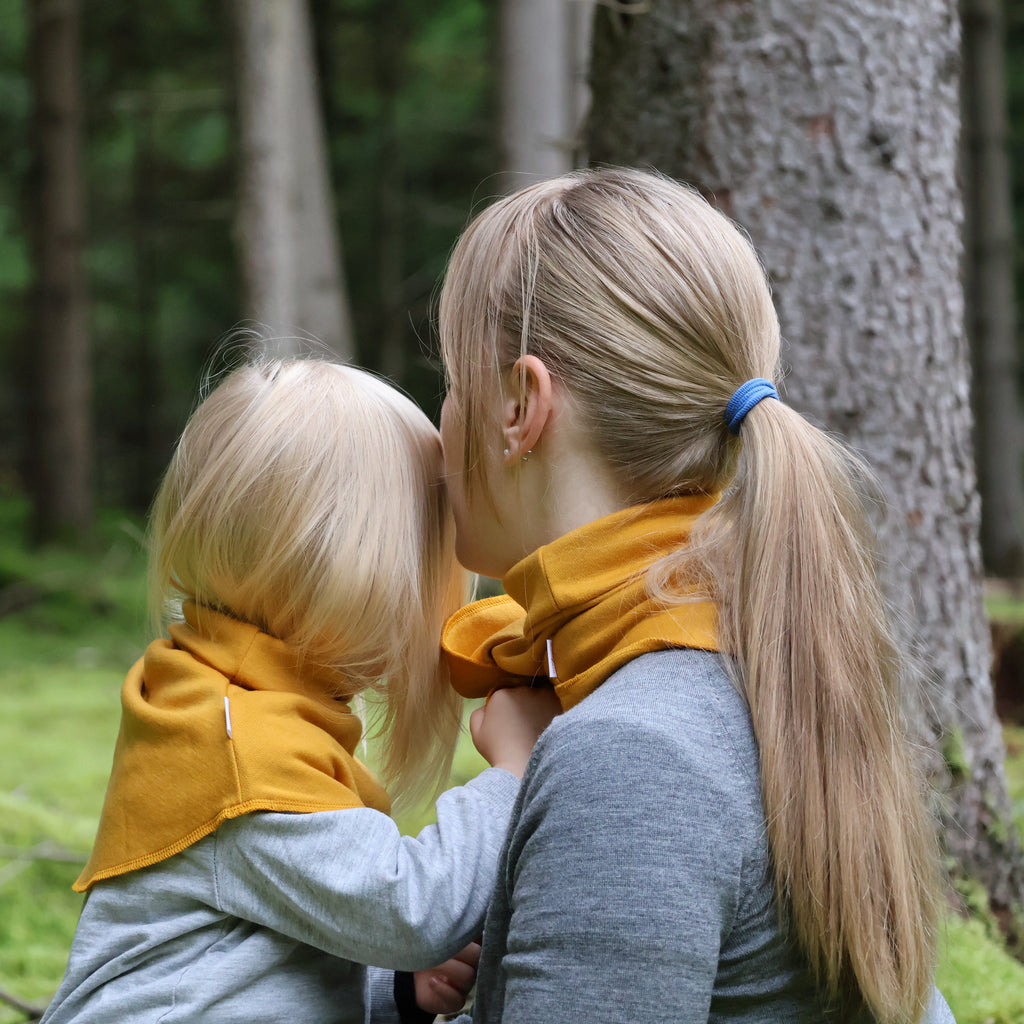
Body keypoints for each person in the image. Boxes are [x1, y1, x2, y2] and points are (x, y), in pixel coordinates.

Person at [436, 167, 956, 1024]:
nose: (437, 426)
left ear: (521, 405)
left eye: (453, 380)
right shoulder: (770, 659)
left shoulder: (632, 754)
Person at [41, 358, 559, 1024]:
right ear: (354, 571)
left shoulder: (225, 700)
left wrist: (397, 991)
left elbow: (246, 968)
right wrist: (516, 770)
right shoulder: (238, 752)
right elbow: (413, 914)